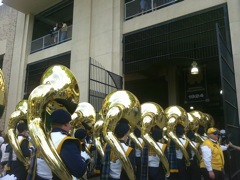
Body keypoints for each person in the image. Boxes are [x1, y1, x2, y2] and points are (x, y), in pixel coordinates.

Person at [50, 109, 87, 179]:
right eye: (69, 123)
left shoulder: (45, 137)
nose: (70, 126)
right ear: (65, 124)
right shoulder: (67, 141)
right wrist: (84, 157)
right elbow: (79, 171)